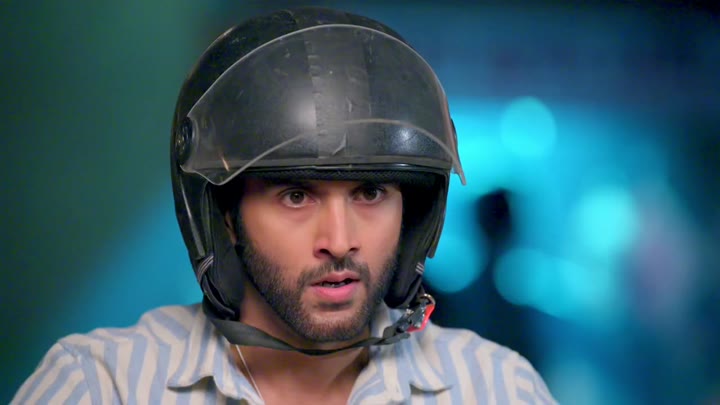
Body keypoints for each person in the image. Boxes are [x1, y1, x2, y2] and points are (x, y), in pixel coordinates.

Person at [12, 6, 557, 404]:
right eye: (296, 196)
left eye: (370, 193)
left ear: (412, 214)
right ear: (225, 216)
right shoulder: (101, 385)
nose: (339, 241)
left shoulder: (496, 388)